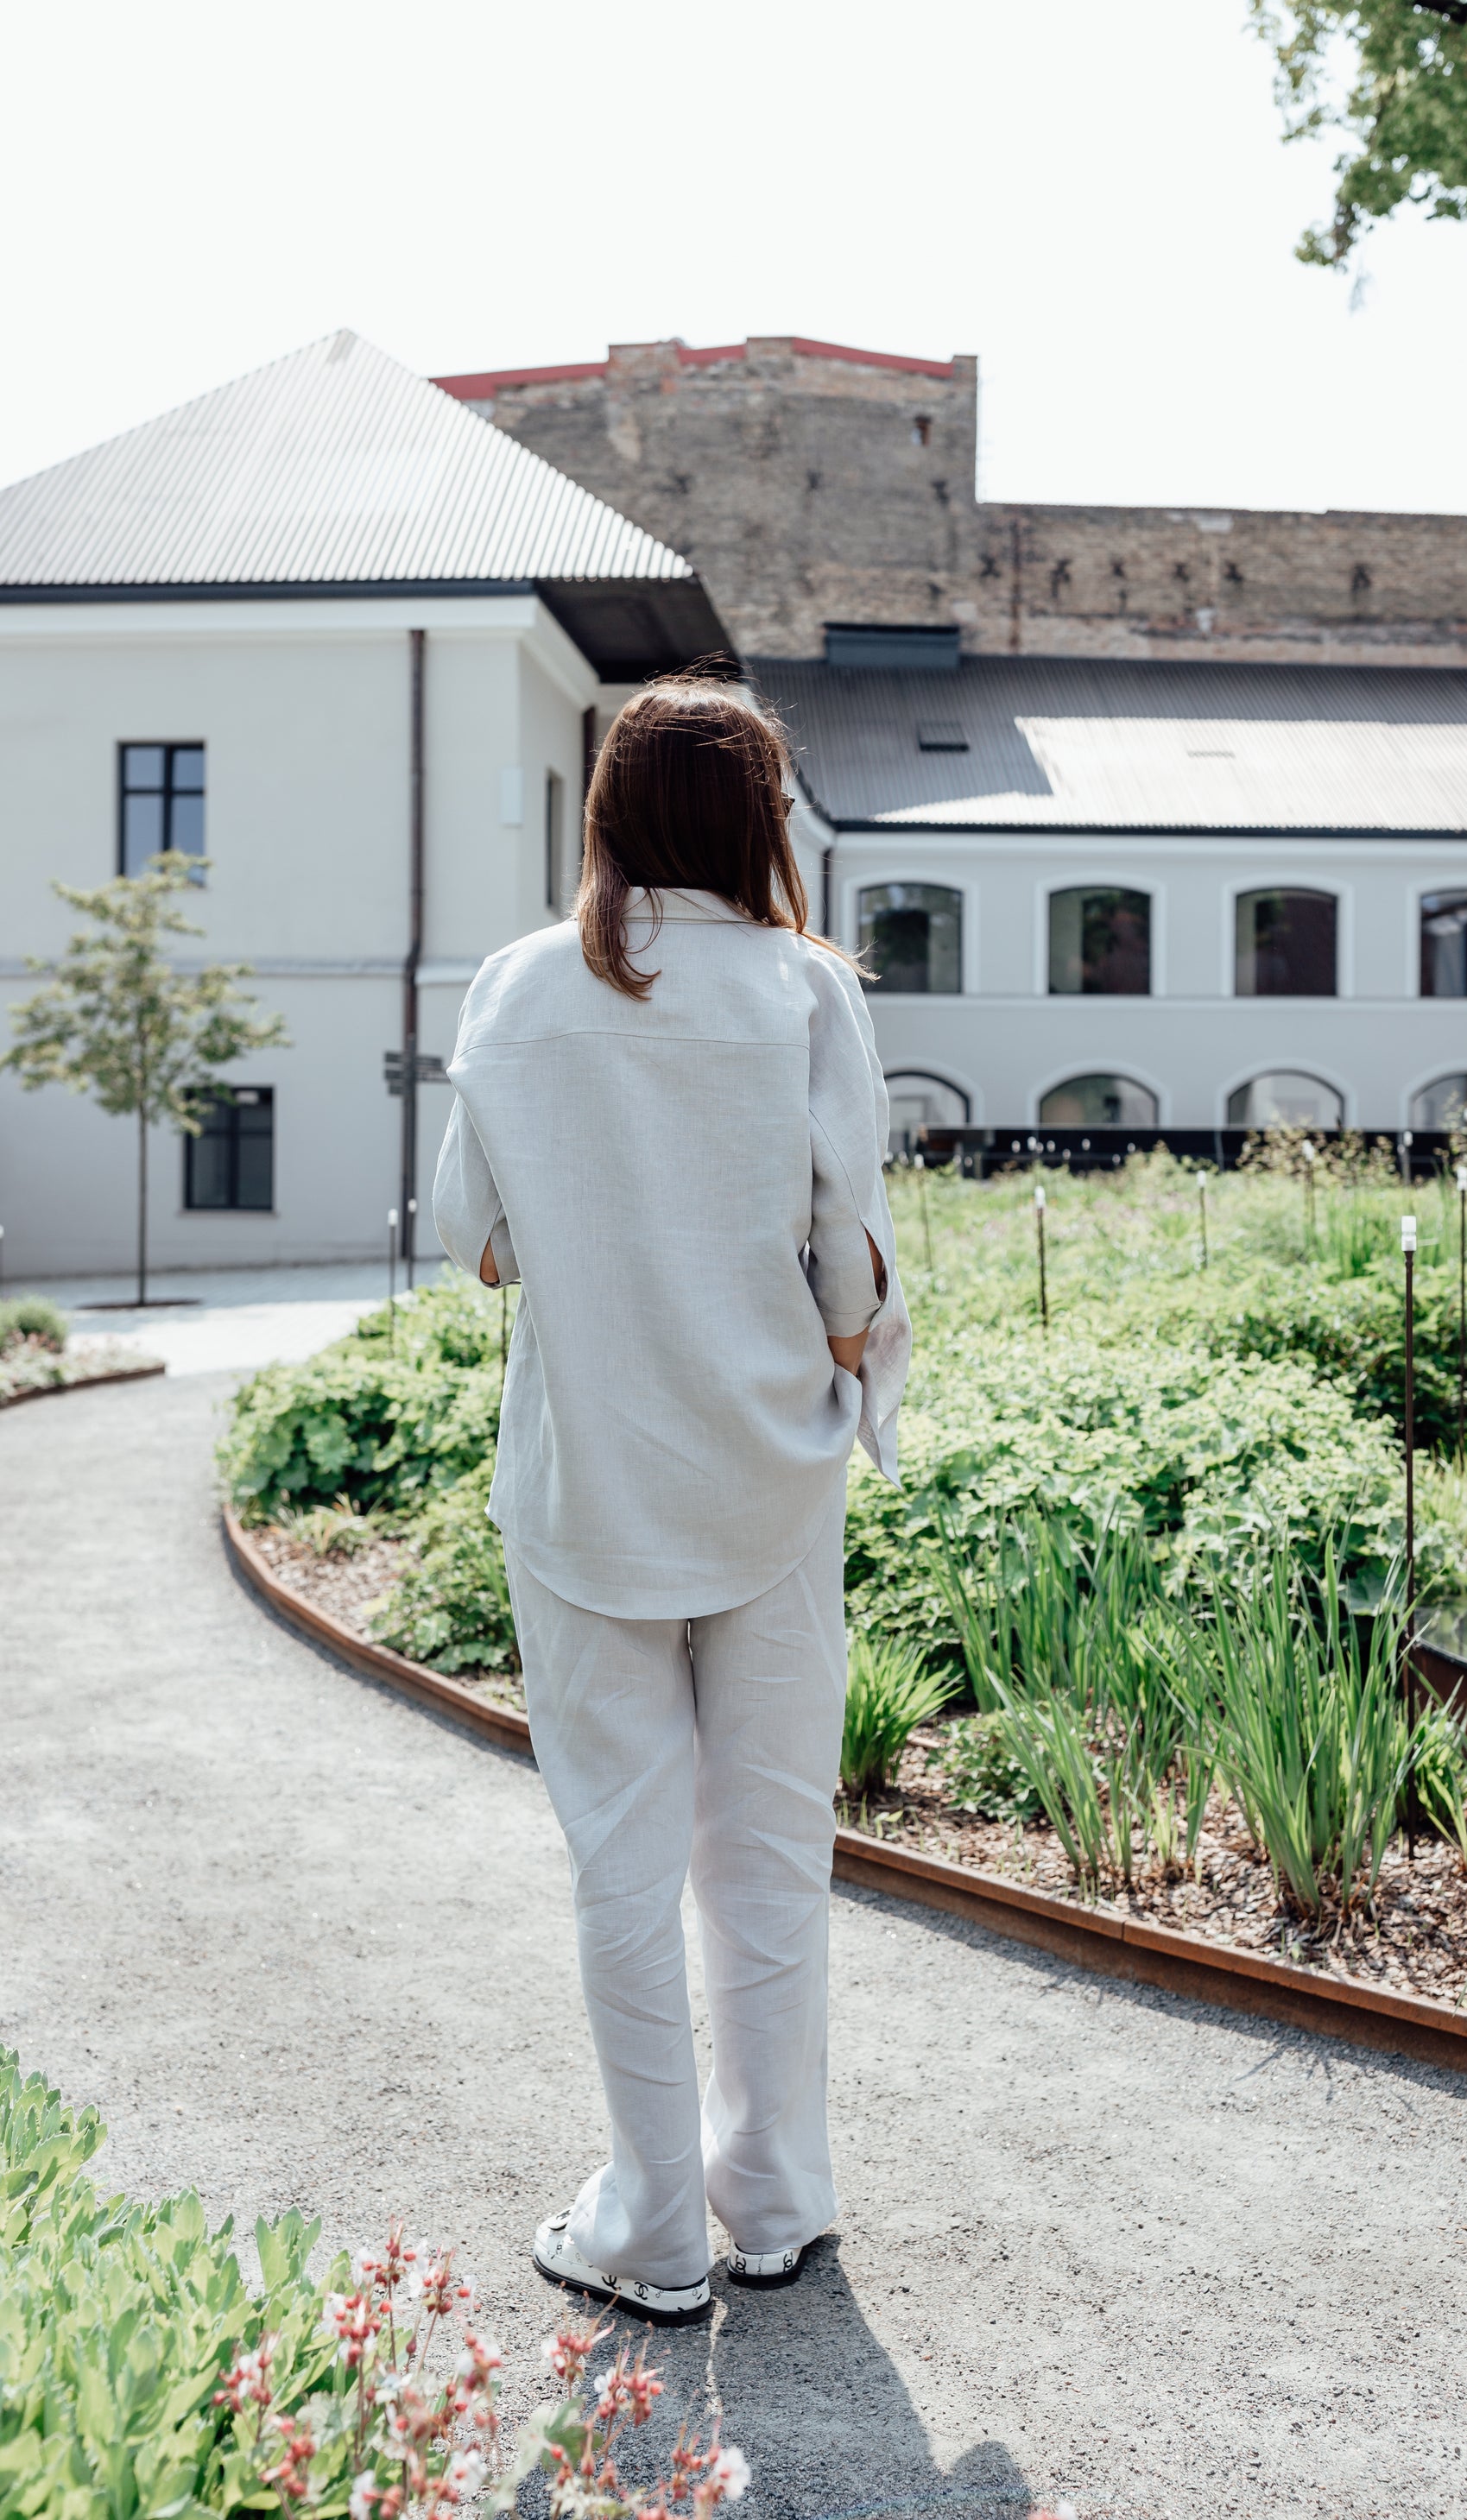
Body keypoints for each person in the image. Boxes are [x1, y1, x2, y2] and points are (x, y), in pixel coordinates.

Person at [433, 678, 910, 2327]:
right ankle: (771, 2192)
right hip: (770, 1478)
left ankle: (648, 2223)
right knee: (769, 1852)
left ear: (610, 812)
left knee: (619, 1863)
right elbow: (846, 1250)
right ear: (757, 819)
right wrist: (841, 1354)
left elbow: (470, 1240)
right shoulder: (803, 991)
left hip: (586, 1491)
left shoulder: (512, 988)